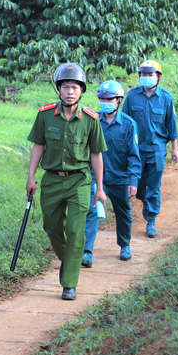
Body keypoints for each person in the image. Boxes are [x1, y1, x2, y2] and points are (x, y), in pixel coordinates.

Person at [26, 63, 107, 301]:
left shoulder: (91, 120)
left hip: (79, 181)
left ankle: (69, 283)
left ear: (81, 91)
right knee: (51, 228)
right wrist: (31, 177)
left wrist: (100, 189)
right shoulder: (44, 115)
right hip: (51, 180)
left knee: (75, 230)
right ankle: (68, 259)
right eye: (65, 87)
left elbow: (96, 155)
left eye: (74, 87)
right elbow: (38, 145)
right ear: (58, 89)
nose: (70, 91)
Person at [82, 80, 141, 265]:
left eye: (109, 99)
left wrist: (133, 180)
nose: (105, 102)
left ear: (118, 100)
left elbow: (133, 155)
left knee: (123, 211)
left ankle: (125, 245)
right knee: (91, 211)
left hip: (120, 178)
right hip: (96, 177)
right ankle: (86, 251)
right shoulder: (92, 121)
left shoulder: (129, 125)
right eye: (102, 99)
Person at [121, 60, 178, 238]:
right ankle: (147, 201)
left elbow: (172, 125)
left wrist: (175, 149)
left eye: (150, 74)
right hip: (136, 151)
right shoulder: (132, 96)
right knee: (136, 184)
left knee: (154, 185)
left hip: (157, 149)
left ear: (158, 77)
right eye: (143, 75)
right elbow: (123, 122)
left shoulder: (166, 98)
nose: (146, 78)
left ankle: (151, 221)